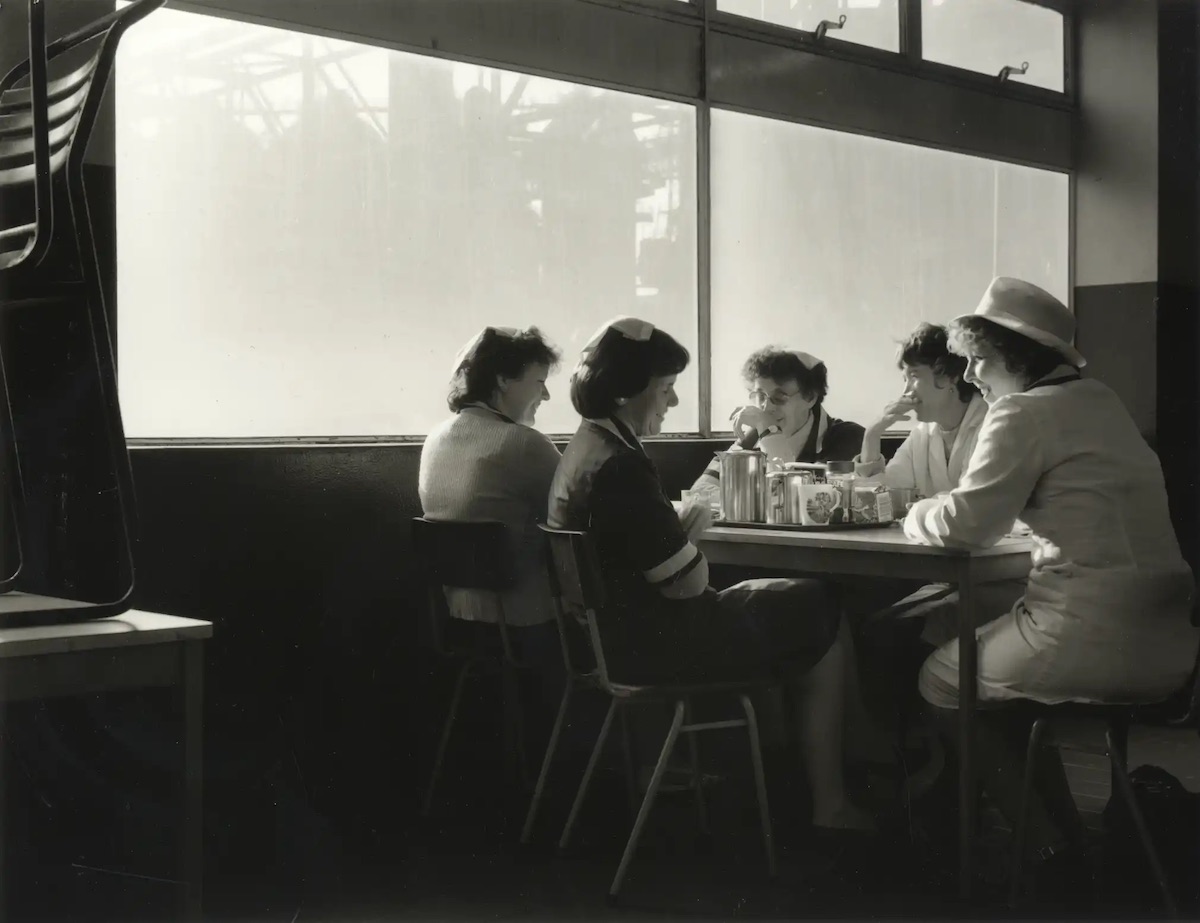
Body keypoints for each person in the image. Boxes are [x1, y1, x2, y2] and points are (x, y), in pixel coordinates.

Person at [904, 277, 1199, 890]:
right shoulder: (1101, 401)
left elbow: (965, 526)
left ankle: (1042, 845)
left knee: (940, 677)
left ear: (1018, 355)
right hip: (1168, 644)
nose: (973, 375)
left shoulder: (1021, 411)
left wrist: (914, 511)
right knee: (994, 679)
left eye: (979, 359)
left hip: (1085, 635)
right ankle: (1063, 838)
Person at [548, 316, 873, 831]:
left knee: (795, 603)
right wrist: (689, 538)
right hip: (651, 644)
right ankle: (831, 800)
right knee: (821, 609)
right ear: (629, 390)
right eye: (667, 388)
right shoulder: (624, 465)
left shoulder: (587, 448)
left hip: (603, 641)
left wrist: (679, 534)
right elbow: (687, 584)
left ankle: (784, 773)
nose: (674, 402)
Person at [418, 325, 563, 659]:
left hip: (457, 621)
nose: (547, 396)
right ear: (502, 380)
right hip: (527, 624)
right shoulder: (524, 444)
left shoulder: (436, 438)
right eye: (540, 382)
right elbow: (580, 513)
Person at [690, 348, 865, 505]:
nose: (766, 407)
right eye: (760, 396)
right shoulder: (752, 438)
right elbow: (699, 493)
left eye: (780, 397)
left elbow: (804, 501)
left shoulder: (848, 436)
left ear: (810, 398)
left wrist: (770, 434)